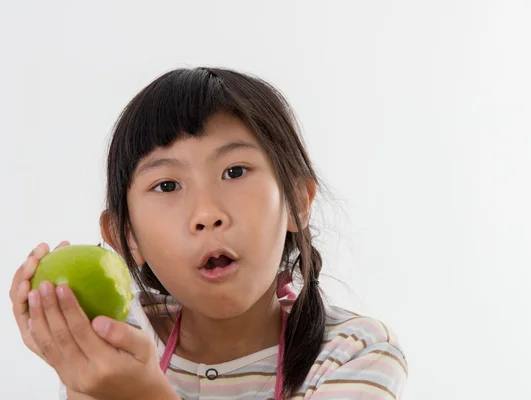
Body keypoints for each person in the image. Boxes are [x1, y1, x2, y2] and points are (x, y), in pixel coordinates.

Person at [9, 67, 408, 399]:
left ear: (297, 201)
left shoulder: (356, 352)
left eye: (234, 171)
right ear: (125, 235)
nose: (206, 214)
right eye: (167, 185)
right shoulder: (116, 336)